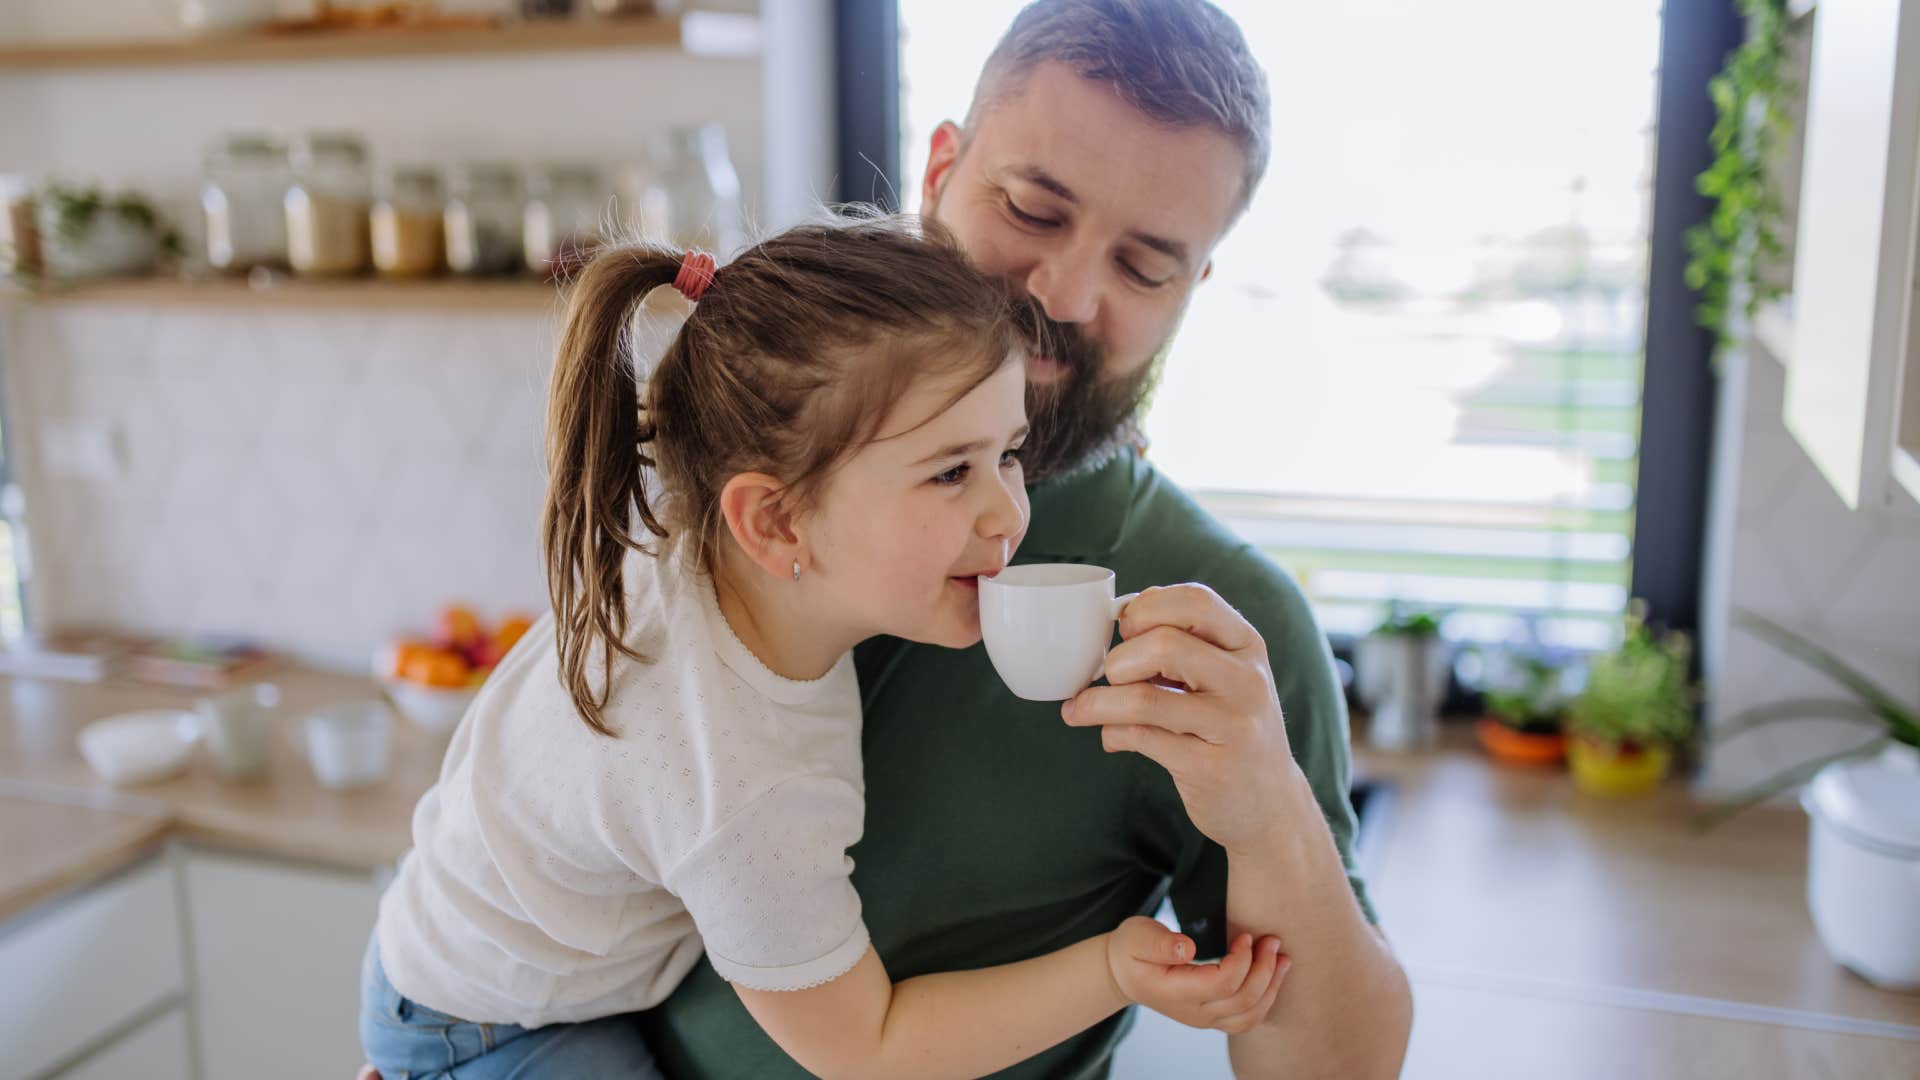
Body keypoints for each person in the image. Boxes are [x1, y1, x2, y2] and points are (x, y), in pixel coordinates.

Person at [639, 2, 1415, 1077]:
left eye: (1144, 267)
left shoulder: (1225, 632)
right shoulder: (739, 452)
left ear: (1195, 291)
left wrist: (1272, 818)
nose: (1065, 295)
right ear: (939, 169)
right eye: (1034, 209)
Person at [357, 215, 1293, 1080]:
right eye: (950, 471)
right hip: (481, 1022)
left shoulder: (702, 531)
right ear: (774, 523)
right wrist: (1112, 970)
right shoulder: (741, 782)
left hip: (453, 930)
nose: (1011, 511)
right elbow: (871, 1048)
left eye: (1008, 454)